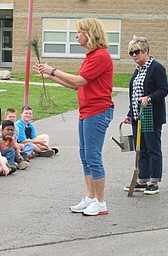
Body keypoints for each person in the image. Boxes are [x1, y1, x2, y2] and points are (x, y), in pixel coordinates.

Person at [34, 18, 114, 216]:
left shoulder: (100, 56)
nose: (76, 35)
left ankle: (100, 202)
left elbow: (79, 80)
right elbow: (76, 85)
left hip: (98, 111)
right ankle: (91, 197)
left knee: (93, 156)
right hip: (87, 111)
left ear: (90, 33)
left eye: (79, 32)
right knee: (85, 155)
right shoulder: (91, 56)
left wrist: (53, 69)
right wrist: (50, 76)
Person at [123, 36, 168, 195]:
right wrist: (130, 113)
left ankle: (154, 181)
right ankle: (142, 180)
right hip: (137, 116)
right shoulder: (137, 70)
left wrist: (148, 98)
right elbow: (135, 94)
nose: (134, 56)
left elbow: (163, 90)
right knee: (140, 149)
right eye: (131, 53)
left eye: (136, 52)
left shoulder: (156, 68)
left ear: (146, 51)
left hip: (151, 115)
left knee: (153, 148)